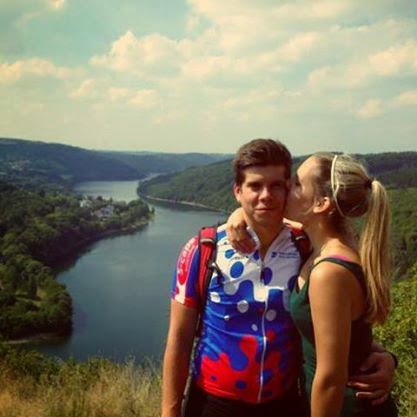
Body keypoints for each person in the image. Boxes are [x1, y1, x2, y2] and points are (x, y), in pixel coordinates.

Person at [161, 139, 396, 417]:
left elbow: (336, 328)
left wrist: (385, 357)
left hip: (285, 404)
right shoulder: (204, 250)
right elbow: (179, 339)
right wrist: (169, 411)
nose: (266, 195)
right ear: (237, 191)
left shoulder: (305, 248)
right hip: (213, 404)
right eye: (254, 186)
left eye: (278, 186)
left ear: (287, 190)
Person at [226, 150, 398, 416]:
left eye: (296, 183)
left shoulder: (328, 272)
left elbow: (330, 378)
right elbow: (347, 339)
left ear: (321, 204)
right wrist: (240, 213)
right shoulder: (320, 250)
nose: (287, 187)